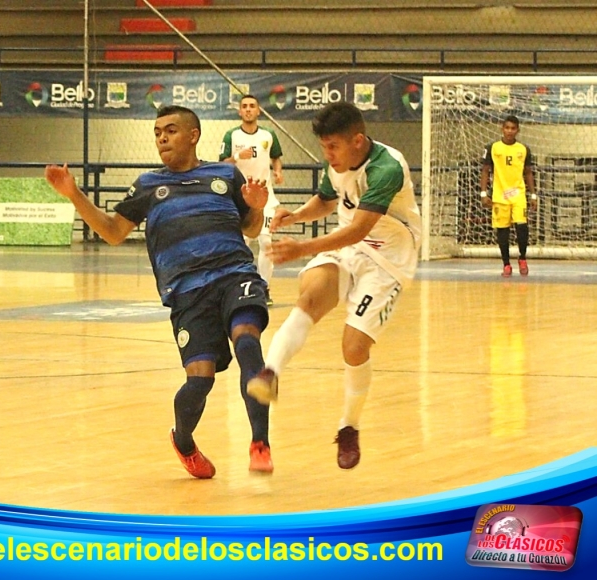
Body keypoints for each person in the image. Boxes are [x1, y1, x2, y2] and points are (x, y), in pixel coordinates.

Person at [44, 105, 274, 479]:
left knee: (247, 340)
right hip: (187, 291)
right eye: (157, 133)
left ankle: (260, 442)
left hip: (235, 273)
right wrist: (74, 194)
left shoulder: (225, 174)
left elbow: (249, 228)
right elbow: (113, 231)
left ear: (193, 135)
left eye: (170, 131)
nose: (162, 138)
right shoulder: (148, 185)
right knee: (199, 381)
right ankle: (183, 441)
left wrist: (258, 209)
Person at [247, 101, 421, 470]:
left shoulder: (387, 167)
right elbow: (327, 201)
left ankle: (348, 426)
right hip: (351, 247)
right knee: (311, 294)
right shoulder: (338, 161)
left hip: (388, 259)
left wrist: (301, 248)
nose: (327, 154)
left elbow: (358, 228)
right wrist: (294, 215)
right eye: (324, 146)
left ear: (357, 141)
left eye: (332, 147)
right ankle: (271, 372)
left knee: (354, 348)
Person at [220, 94, 284, 306]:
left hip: (265, 198)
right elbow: (223, 164)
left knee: (266, 242)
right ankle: (240, 285)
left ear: (258, 111)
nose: (248, 110)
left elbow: (276, 157)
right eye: (244, 106)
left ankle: (263, 287)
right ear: (240, 111)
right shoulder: (231, 136)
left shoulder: (268, 134)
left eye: (252, 106)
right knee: (241, 244)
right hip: (239, 199)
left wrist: (277, 171)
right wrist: (238, 157)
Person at [480, 115, 537, 277]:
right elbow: (485, 170)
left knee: (522, 226)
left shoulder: (523, 149)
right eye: (507, 128)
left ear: (517, 130)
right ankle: (506, 264)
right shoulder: (492, 147)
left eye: (513, 128)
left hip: (518, 194)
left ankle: (523, 258)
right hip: (499, 196)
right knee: (502, 230)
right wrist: (484, 193)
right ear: (502, 128)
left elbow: (528, 172)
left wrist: (533, 195)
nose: (509, 131)